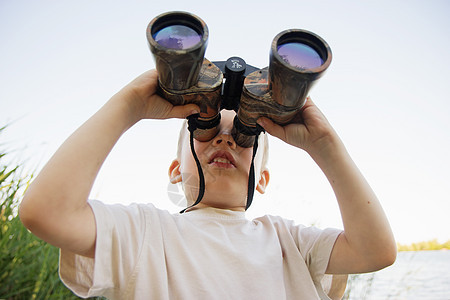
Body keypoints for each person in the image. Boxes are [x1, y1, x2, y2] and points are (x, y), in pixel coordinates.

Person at [19, 69, 396, 299]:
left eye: (245, 136)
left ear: (262, 180)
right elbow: (46, 213)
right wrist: (129, 105)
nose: (225, 139)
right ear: (174, 170)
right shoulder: (145, 234)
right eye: (205, 131)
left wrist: (324, 145)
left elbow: (376, 251)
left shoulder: (291, 244)